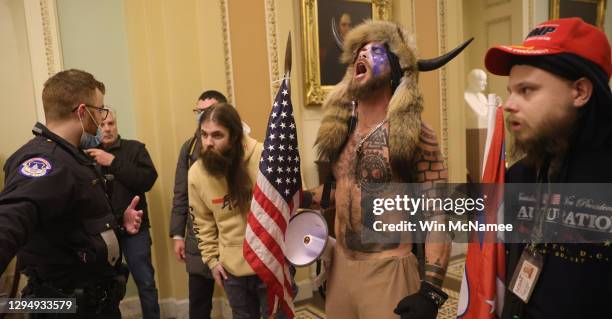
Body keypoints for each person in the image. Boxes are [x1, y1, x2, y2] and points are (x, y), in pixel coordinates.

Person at [306, 20, 470, 319]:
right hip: (340, 268)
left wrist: (431, 291)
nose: (363, 54)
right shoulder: (343, 132)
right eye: (360, 50)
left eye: (376, 50)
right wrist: (302, 199)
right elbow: (343, 192)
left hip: (389, 271)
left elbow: (438, 214)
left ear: (395, 69)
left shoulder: (414, 134)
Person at [484, 17, 612, 319]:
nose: (510, 104)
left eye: (526, 90)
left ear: (580, 92)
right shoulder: (517, 176)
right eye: (511, 90)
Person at [0, 69, 143, 318]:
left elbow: (74, 225)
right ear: (82, 111)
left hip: (95, 303)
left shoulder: (72, 158)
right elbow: (11, 219)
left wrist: (119, 223)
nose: (101, 119)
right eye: (99, 110)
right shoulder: (45, 161)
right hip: (65, 307)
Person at [188, 103, 280, 319]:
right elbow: (202, 222)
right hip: (232, 270)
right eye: (204, 135)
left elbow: (289, 206)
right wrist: (212, 261)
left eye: (217, 135)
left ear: (234, 136)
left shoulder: (265, 156)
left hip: (270, 263)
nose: (208, 143)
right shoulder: (196, 174)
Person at [85, 108, 160, 319]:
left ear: (116, 125)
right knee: (105, 286)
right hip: (104, 233)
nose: (107, 129)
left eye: (111, 124)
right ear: (96, 127)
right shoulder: (88, 155)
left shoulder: (135, 149)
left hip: (136, 230)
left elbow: (147, 180)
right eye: (102, 124)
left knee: (145, 282)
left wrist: (113, 162)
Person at [169, 90, 227, 319]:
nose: (202, 116)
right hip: (198, 239)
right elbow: (180, 193)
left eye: (208, 111)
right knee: (200, 305)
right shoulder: (189, 148)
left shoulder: (242, 145)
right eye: (198, 111)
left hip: (232, 237)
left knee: (243, 301)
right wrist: (177, 235)